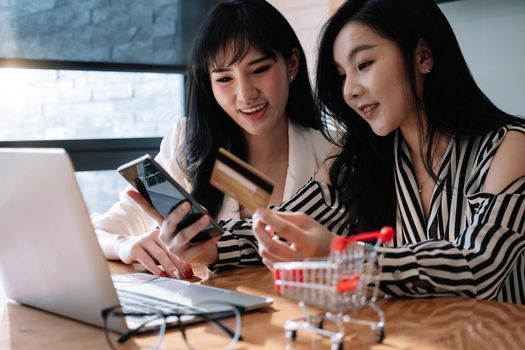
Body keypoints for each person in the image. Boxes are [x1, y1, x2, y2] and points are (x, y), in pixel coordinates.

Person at [247, 0, 525, 304]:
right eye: (342, 75)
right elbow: (286, 225)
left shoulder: (511, 146)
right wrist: (211, 241)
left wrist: (344, 255)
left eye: (363, 65)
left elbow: (478, 267)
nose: (349, 90)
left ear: (423, 55)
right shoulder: (361, 156)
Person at [92, 0, 333, 279]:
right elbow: (99, 231)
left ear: (291, 64)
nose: (245, 94)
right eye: (224, 78)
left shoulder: (333, 153)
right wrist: (126, 245)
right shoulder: (187, 146)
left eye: (259, 70)